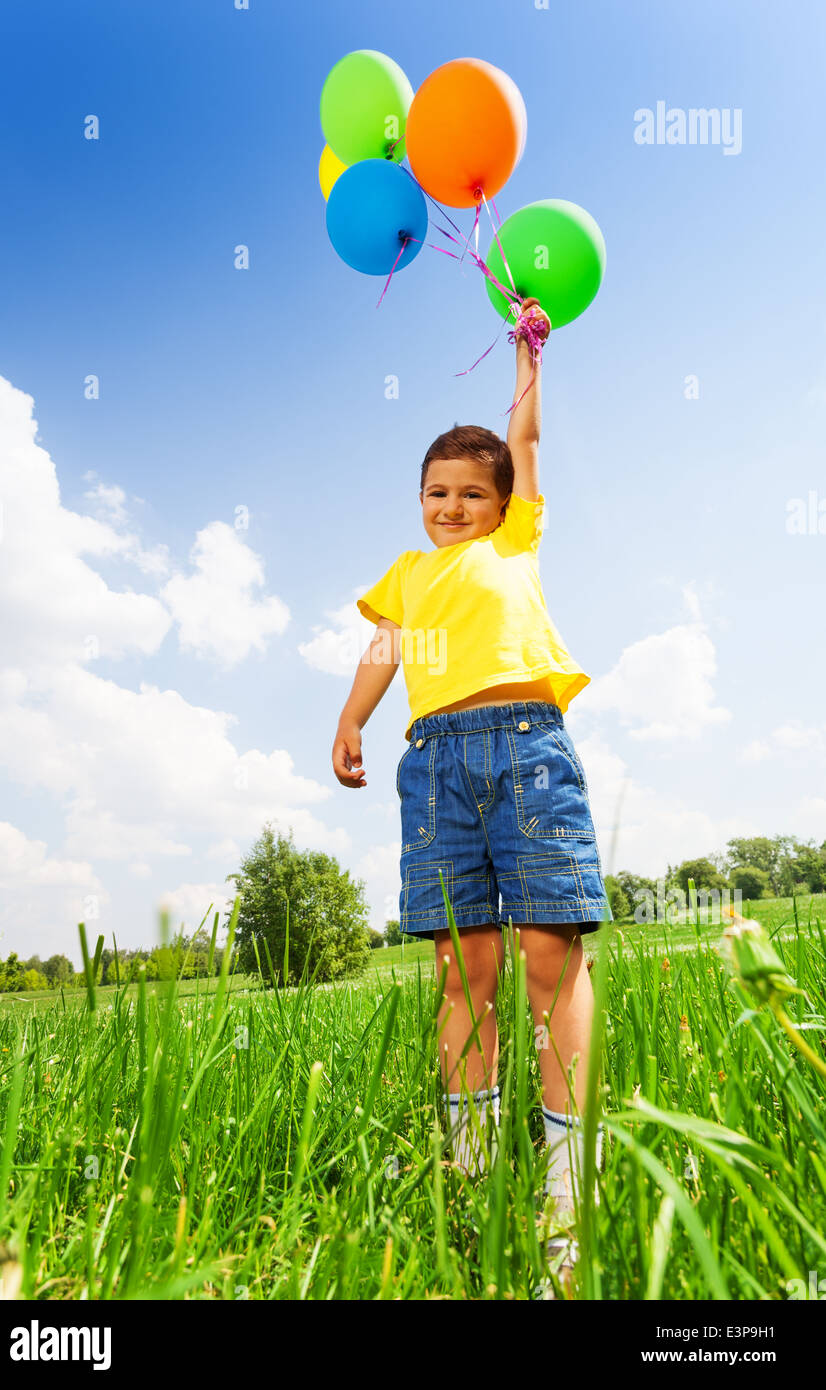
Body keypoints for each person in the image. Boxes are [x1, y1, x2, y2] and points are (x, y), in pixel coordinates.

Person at [332, 298, 610, 1293]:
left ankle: (569, 1191)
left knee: (547, 953)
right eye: (435, 491)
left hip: (526, 746)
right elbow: (383, 646)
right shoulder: (409, 573)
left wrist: (531, 358)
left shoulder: (518, 537)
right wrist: (353, 717)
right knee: (464, 967)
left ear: (500, 502)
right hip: (435, 762)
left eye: (468, 492)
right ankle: (475, 1175)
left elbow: (524, 436)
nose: (450, 506)